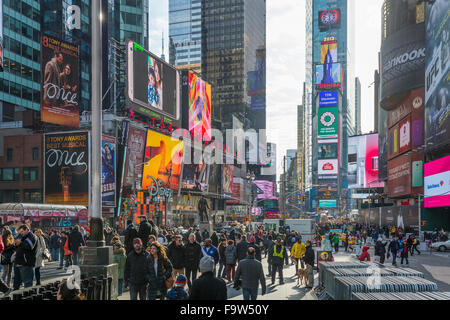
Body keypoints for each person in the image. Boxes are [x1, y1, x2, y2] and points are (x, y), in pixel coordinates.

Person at [13, 225, 37, 289]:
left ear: (27, 229)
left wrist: (20, 243)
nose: (21, 233)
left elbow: (30, 247)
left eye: (22, 231)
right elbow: (16, 246)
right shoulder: (21, 236)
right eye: (20, 232)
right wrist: (15, 244)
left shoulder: (32, 236)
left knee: (27, 283)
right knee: (16, 283)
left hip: (27, 263)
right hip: (18, 262)